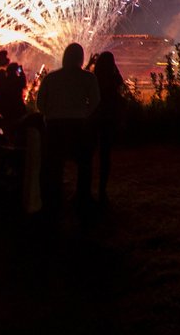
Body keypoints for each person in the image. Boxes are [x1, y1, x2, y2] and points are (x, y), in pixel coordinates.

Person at [36, 43, 100, 217]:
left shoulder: (51, 78)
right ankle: (83, 197)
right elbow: (95, 102)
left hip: (55, 125)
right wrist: (84, 113)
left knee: (54, 164)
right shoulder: (88, 78)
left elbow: (40, 102)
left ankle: (53, 199)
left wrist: (50, 113)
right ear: (81, 58)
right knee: (84, 163)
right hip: (78, 124)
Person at [92, 51, 125, 204]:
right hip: (108, 118)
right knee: (105, 156)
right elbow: (121, 81)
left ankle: (86, 187)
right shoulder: (113, 79)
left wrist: (91, 63)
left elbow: (85, 75)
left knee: (88, 155)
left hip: (94, 118)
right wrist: (114, 66)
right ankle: (102, 190)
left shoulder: (93, 78)